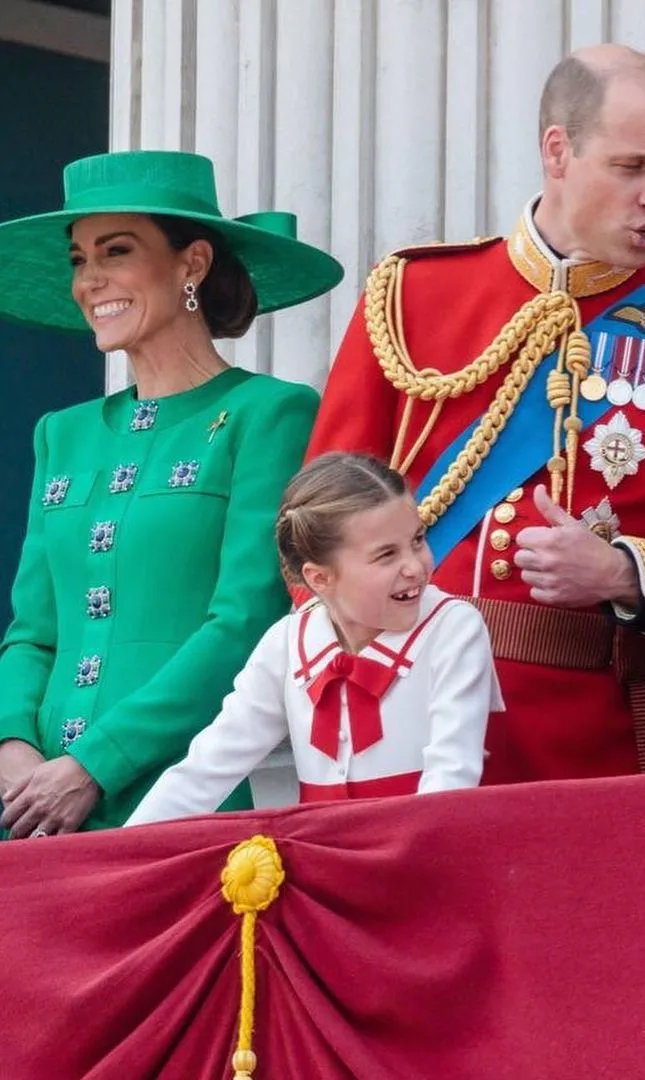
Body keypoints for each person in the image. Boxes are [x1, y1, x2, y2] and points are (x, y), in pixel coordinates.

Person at [305, 44, 645, 783]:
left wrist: (626, 573)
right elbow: (319, 521)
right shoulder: (413, 293)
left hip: (579, 741)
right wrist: (338, 679)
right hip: (396, 709)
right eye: (630, 168)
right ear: (557, 151)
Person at [0, 149, 343, 835]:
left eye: (115, 252)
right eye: (78, 260)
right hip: (32, 809)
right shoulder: (58, 435)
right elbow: (33, 632)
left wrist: (95, 762)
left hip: (177, 797)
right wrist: (14, 753)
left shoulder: (268, 413)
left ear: (192, 263)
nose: (90, 281)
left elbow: (245, 622)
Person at [126, 453, 499, 825]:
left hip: (422, 857)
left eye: (417, 540)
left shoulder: (453, 628)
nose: (415, 566)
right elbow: (206, 768)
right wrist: (121, 853)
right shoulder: (286, 644)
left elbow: (452, 775)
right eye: (386, 555)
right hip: (320, 865)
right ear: (319, 578)